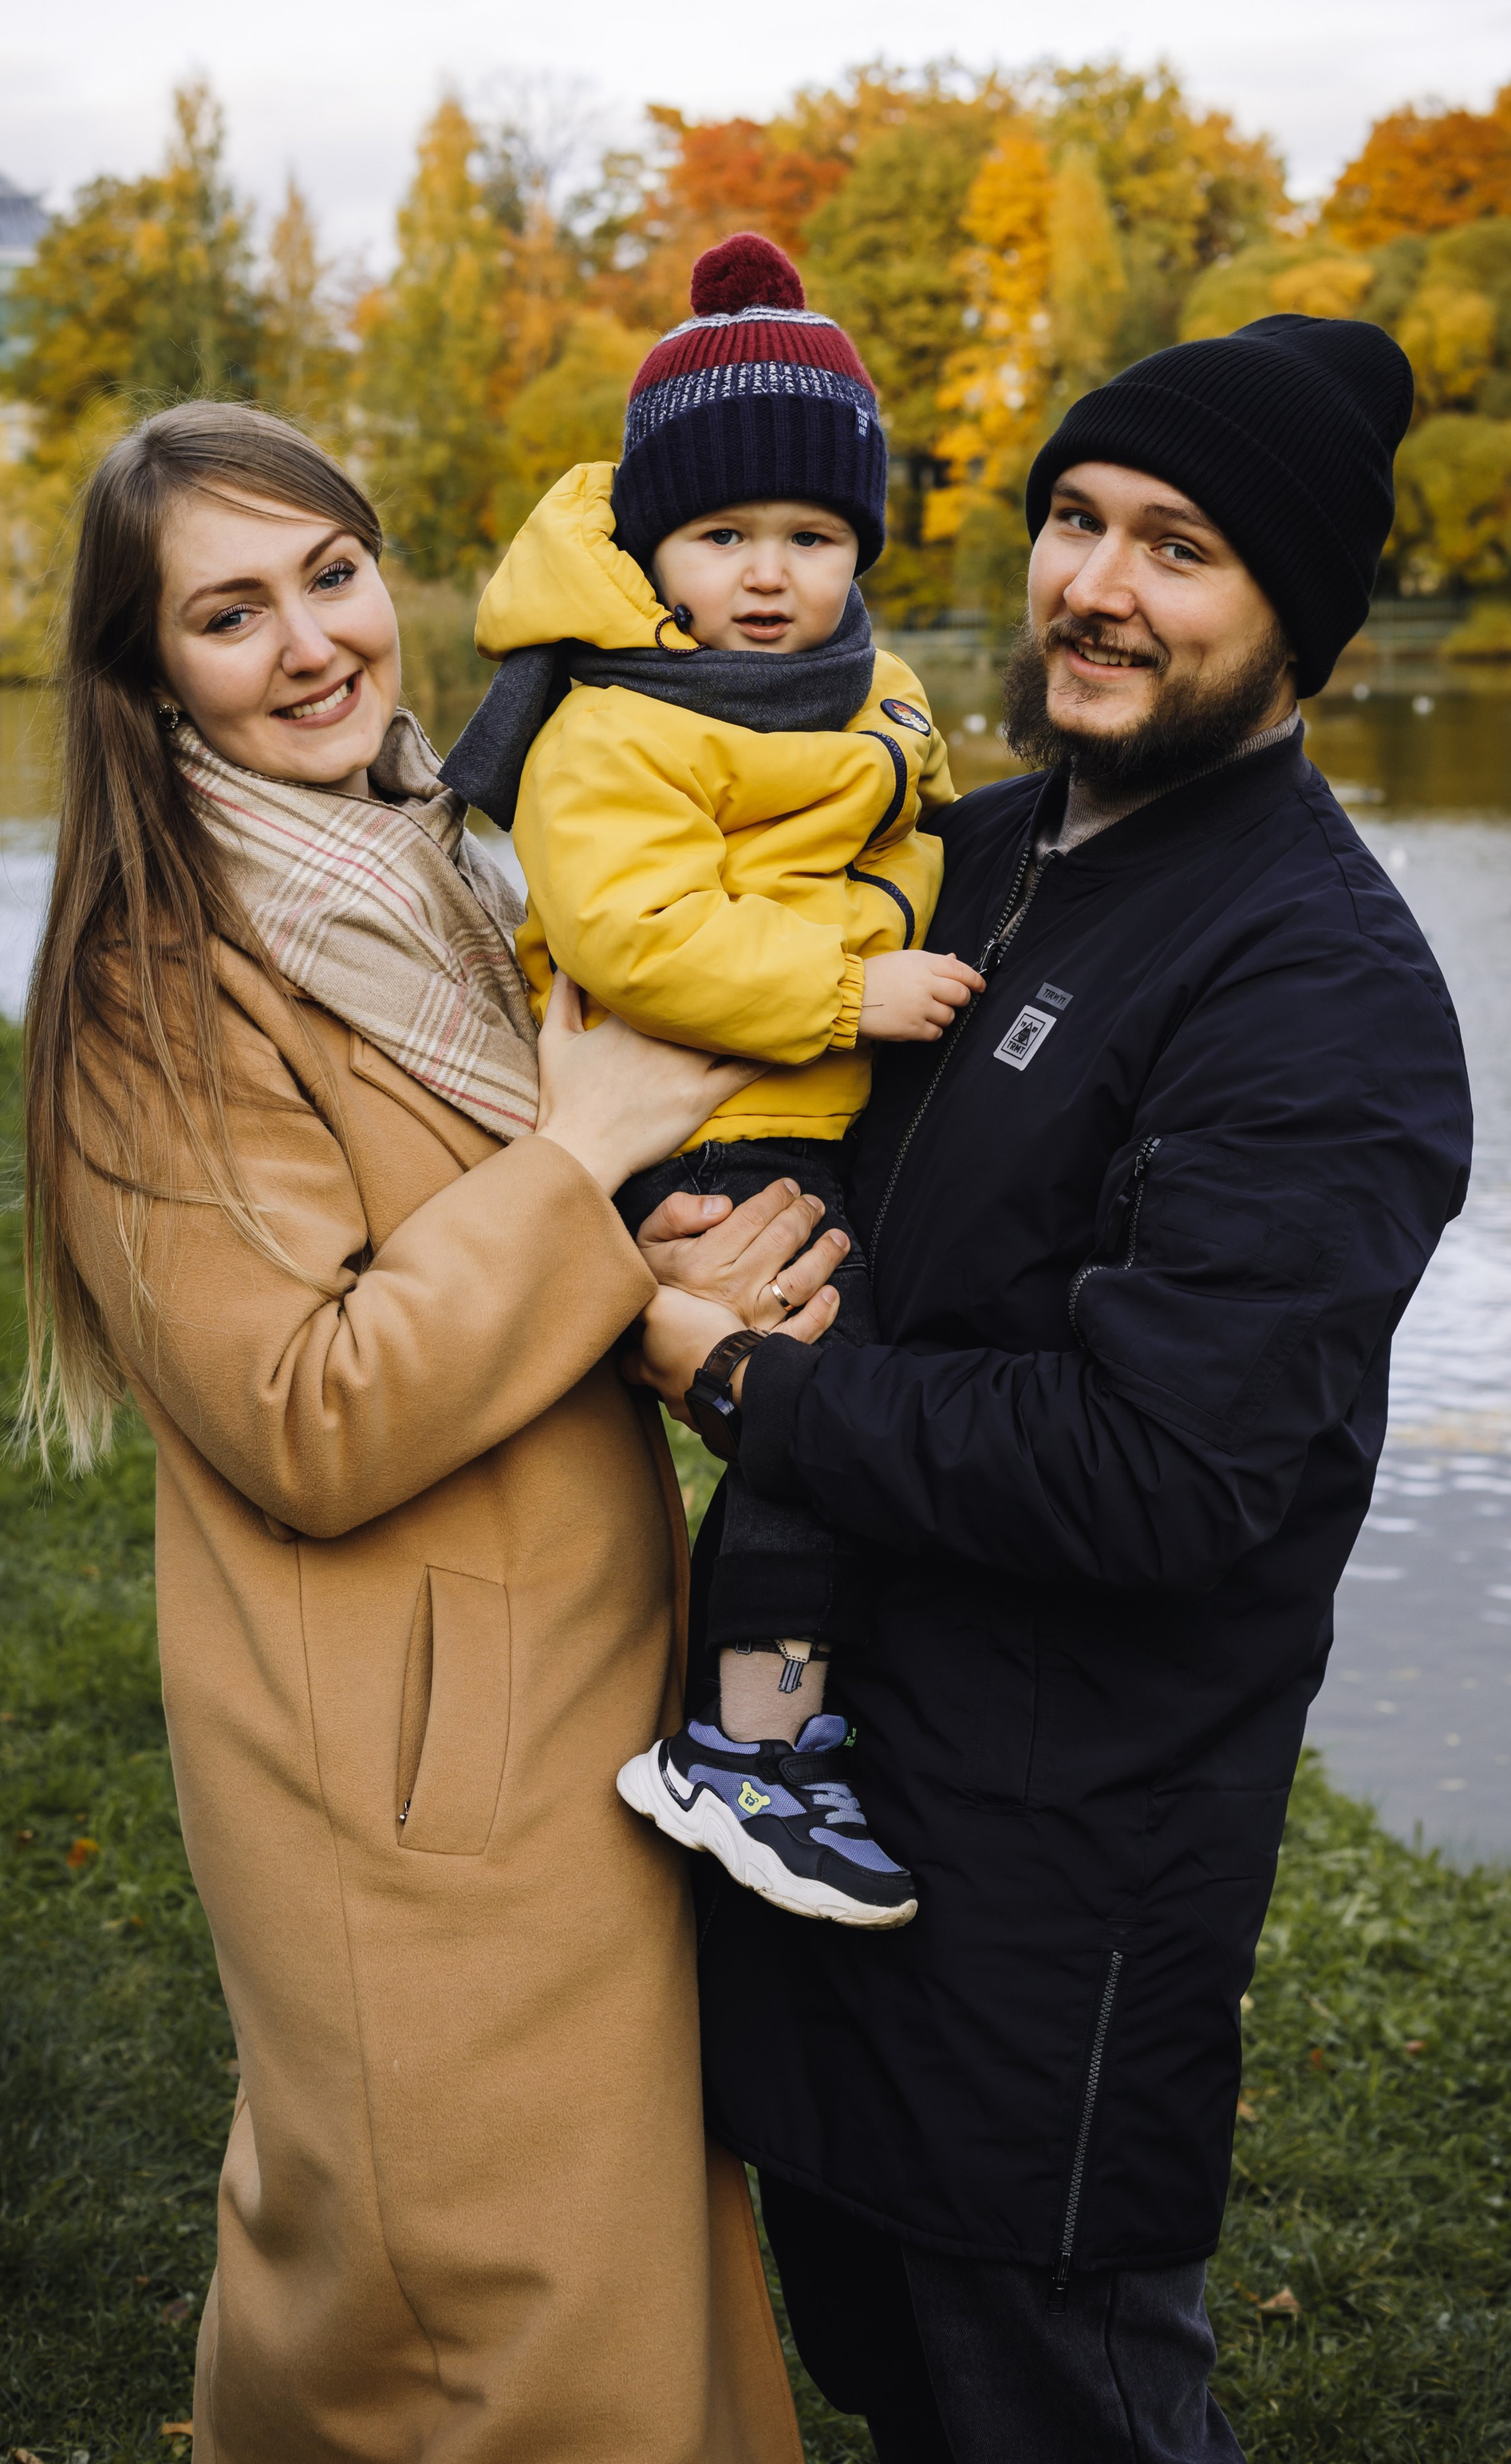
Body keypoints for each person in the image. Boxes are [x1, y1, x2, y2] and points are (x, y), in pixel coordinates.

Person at [636, 316, 1476, 2462]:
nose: (1099, 583)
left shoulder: (1317, 980)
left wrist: (737, 1368)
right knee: (882, 2368)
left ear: (1302, 623)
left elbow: (1168, 1467)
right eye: (1076, 521)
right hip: (823, 1811)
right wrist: (685, 1221)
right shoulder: (973, 855)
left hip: (1049, 1914)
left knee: (1052, 2405)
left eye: (1180, 547)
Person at [17, 400, 818, 2464]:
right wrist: (588, 1153)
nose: (308, 643)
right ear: (142, 677)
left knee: (578, 2298)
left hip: (559, 1722)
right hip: (411, 1779)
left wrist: (683, 1291)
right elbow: (304, 1407)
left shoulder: (442, 873)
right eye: (226, 610)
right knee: (496, 2333)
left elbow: (503, 1252)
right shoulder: (160, 983)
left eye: (332, 573)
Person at [444, 231, 979, 1929]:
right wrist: (844, 975)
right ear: (650, 543)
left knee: (867, 1393)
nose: (768, 575)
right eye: (723, 535)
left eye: (812, 537)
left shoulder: (863, 689)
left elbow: (926, 839)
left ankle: (799, 1711)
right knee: (807, 1410)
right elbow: (630, 929)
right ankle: (745, 1745)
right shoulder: (618, 719)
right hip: (708, 1109)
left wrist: (886, 923)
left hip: (812, 1094)